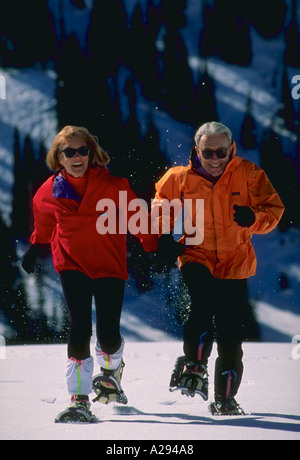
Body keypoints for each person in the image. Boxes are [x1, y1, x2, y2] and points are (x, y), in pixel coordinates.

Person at [21, 125, 156, 420]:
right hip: (71, 263)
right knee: (80, 326)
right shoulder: (50, 190)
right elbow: (43, 220)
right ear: (59, 158)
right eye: (69, 152)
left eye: (83, 150)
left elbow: (137, 215)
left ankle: (111, 372)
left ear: (91, 153)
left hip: (109, 264)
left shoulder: (113, 185)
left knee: (108, 334)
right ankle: (79, 399)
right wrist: (36, 246)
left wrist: (153, 245)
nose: (77, 156)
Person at [152, 121, 284, 415]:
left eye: (220, 152)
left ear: (231, 149)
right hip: (195, 253)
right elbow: (161, 206)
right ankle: (194, 364)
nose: (214, 159)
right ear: (196, 150)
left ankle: (225, 400)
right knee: (202, 302)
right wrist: (163, 237)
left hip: (235, 261)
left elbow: (273, 210)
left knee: (230, 335)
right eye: (207, 153)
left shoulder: (249, 174)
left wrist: (253, 218)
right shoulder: (178, 178)